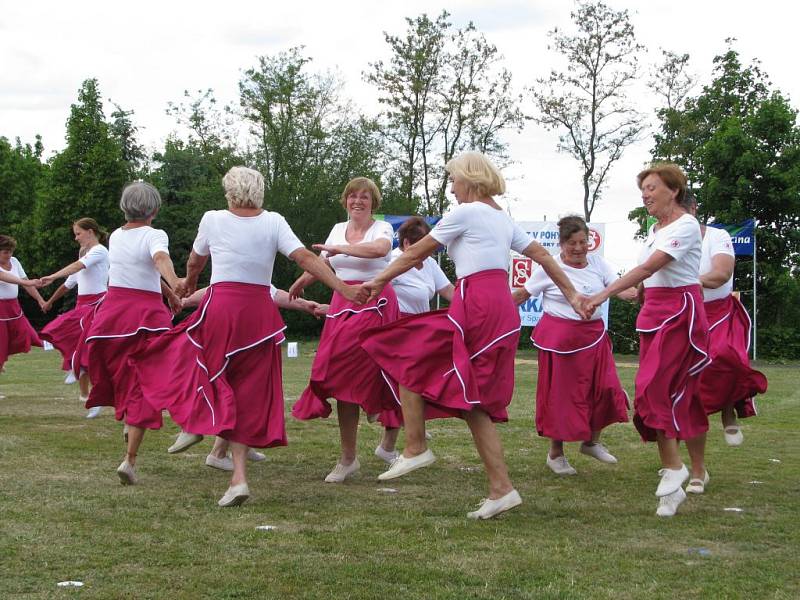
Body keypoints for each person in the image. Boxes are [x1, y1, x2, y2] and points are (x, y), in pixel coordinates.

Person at [360, 152, 588, 519]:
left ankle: (417, 447)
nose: (451, 187)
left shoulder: (465, 213)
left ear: (469, 179)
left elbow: (417, 251)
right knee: (472, 403)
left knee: (406, 351)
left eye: (453, 180)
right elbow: (545, 257)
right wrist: (574, 294)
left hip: (477, 304)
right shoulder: (502, 218)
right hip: (495, 305)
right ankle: (501, 489)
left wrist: (377, 280)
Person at [133, 166, 360, 507]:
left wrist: (189, 283)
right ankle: (236, 476)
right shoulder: (273, 221)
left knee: (197, 362)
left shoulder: (212, 219)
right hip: (258, 315)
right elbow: (306, 258)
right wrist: (342, 287)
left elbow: (196, 261)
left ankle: (198, 422)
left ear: (230, 192)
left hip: (221, 308)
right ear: (259, 191)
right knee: (245, 394)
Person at [585, 163, 710, 517]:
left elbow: (648, 269)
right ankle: (672, 480)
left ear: (673, 190)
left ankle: (677, 469)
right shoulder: (655, 229)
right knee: (650, 394)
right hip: (654, 312)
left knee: (655, 388)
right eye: (644, 189)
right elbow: (644, 283)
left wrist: (600, 296)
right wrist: (635, 293)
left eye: (652, 188)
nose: (646, 195)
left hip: (677, 313)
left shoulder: (686, 225)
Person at [290, 177, 400, 484]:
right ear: (346, 200)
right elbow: (324, 261)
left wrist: (341, 248)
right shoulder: (338, 228)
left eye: (364, 197)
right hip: (342, 301)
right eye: (353, 196)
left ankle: (377, 403)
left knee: (356, 362)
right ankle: (348, 458)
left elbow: (379, 250)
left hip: (373, 300)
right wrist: (302, 280)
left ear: (373, 202)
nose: (358, 201)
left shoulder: (382, 228)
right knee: (339, 380)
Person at [512, 216, 634, 475]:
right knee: (563, 398)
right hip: (560, 341)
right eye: (572, 243)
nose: (579, 248)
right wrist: (491, 307)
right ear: (561, 243)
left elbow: (623, 290)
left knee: (607, 388)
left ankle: (591, 441)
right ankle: (556, 454)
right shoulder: (550, 267)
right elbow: (523, 295)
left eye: (583, 242)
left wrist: (645, 289)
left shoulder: (599, 264)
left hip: (595, 338)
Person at [81, 182, 182, 486]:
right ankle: (130, 459)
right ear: (155, 208)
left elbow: (139, 272)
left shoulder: (115, 236)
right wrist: (176, 283)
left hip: (113, 316)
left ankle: (128, 428)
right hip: (145, 316)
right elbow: (159, 260)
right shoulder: (155, 234)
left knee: (126, 379)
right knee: (147, 383)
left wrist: (169, 293)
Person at [170, 284, 328, 472]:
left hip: (235, 329)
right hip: (246, 334)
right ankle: (212, 446)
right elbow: (275, 294)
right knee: (242, 393)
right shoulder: (247, 277)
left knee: (238, 391)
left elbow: (272, 292)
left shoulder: (240, 273)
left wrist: (185, 300)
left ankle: (240, 443)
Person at [374, 216, 454, 463]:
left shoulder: (428, 262)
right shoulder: (394, 261)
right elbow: (376, 288)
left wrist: (474, 305)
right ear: (407, 243)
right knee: (406, 388)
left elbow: (448, 291)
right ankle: (390, 444)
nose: (427, 250)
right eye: (422, 245)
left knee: (417, 386)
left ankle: (404, 435)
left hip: (421, 330)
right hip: (398, 329)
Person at [39, 218, 110, 418]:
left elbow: (75, 267)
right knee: (66, 337)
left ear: (90, 232)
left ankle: (81, 375)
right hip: (83, 305)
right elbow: (69, 284)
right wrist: (49, 301)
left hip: (96, 305)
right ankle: (80, 379)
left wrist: (52, 276)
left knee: (83, 349)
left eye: (78, 233)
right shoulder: (84, 256)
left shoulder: (100, 251)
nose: (76, 237)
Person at [0, 235, 45, 374]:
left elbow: (26, 283)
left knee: (31, 336)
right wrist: (27, 282)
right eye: (5, 252)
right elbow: (6, 277)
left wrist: (40, 300)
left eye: (11, 251)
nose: (9, 255)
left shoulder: (14, 261)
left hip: (14, 309)